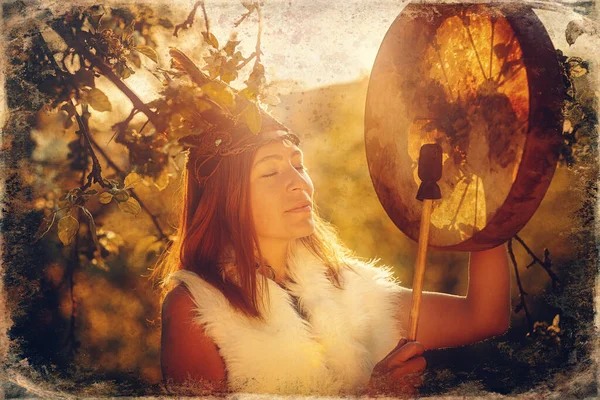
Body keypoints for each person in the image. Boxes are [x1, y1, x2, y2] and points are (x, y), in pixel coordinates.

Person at [151, 95, 511, 397]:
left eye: (298, 164)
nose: (299, 184)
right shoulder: (197, 307)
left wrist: (488, 188)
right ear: (225, 198)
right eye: (270, 171)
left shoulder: (349, 287)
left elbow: (483, 316)